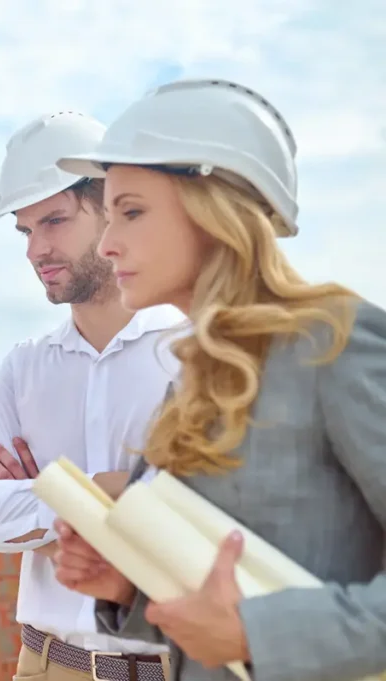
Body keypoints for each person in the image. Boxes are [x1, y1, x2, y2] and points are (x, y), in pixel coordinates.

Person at [50, 77, 386, 681]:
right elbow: (221, 616)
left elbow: (251, 628)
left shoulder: (333, 342)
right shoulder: (196, 378)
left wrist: (260, 633)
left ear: (214, 213)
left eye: (131, 211)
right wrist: (128, 588)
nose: (107, 244)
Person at [0, 111, 183, 681]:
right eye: (26, 231)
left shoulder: (190, 352)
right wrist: (84, 500)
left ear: (110, 208)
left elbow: (209, 522)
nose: (35, 250)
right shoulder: (25, 368)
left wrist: (32, 505)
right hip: (46, 666)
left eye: (54, 221)